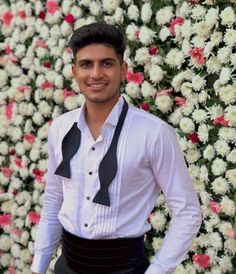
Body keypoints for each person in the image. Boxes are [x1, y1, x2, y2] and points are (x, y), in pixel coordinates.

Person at [31, 22, 202, 274]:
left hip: (125, 268)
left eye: (107, 63)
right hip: (66, 267)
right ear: (74, 71)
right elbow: (55, 199)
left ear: (123, 70)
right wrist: (38, 267)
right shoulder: (60, 128)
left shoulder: (154, 133)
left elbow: (187, 211)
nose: (96, 73)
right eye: (86, 64)